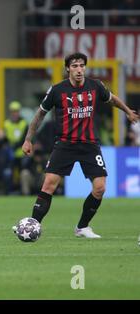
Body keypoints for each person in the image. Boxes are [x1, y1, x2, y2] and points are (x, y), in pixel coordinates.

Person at [17, 52, 139, 238]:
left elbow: (112, 99)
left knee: (100, 188)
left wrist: (128, 111)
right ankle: (31, 226)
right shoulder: (57, 90)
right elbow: (40, 114)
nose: (79, 70)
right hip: (65, 144)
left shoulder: (95, 85)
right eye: (74, 66)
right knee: (49, 184)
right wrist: (28, 139)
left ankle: (82, 227)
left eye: (82, 65)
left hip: (90, 145)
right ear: (67, 69)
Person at [4, 101, 31, 194]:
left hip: (21, 153)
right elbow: (6, 138)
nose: (15, 113)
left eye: (16, 111)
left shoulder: (24, 123)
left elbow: (25, 138)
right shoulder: (6, 123)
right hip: (11, 153)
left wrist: (16, 145)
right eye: (13, 111)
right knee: (10, 173)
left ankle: (21, 191)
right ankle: (10, 191)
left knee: (21, 173)